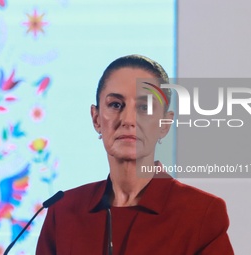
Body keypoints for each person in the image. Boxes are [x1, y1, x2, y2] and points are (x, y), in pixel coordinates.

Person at [36, 54, 234, 255]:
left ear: (164, 124)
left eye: (144, 107)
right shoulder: (62, 211)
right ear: (96, 119)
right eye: (115, 105)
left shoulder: (201, 213)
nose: (128, 120)